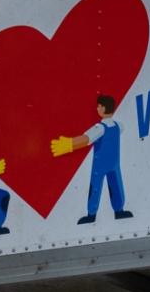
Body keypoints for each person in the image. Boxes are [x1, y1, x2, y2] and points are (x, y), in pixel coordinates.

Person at [50, 93, 132, 225]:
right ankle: (118, 210)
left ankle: (92, 214)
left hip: (100, 165)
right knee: (115, 185)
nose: (97, 109)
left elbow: (86, 139)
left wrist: (69, 144)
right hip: (113, 164)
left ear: (105, 108)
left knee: (96, 187)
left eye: (99, 106)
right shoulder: (119, 126)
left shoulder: (100, 128)